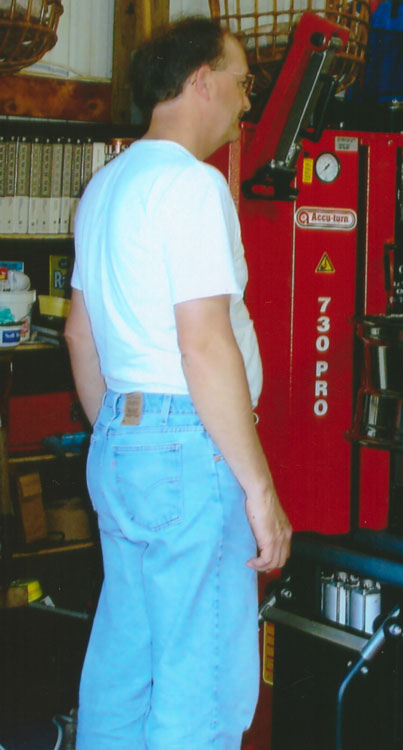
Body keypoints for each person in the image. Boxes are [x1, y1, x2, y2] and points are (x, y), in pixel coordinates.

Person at [64, 17, 292, 750]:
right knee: (203, 686)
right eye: (240, 83)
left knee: (126, 668)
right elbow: (203, 343)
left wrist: (127, 436)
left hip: (121, 440)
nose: (245, 105)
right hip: (188, 446)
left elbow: (79, 334)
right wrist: (260, 490)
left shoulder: (105, 186)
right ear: (201, 80)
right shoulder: (192, 186)